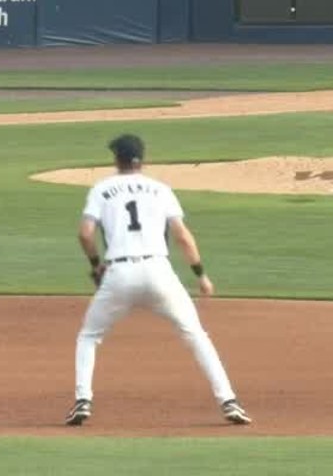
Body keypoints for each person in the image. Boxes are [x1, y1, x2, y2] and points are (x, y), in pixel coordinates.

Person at [67, 133, 252, 429]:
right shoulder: (160, 189)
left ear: (116, 159)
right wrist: (200, 275)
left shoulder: (102, 189)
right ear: (143, 159)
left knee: (89, 336)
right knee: (195, 334)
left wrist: (95, 265)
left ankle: (83, 400)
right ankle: (228, 400)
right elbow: (181, 235)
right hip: (159, 271)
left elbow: (85, 233)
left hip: (119, 273)